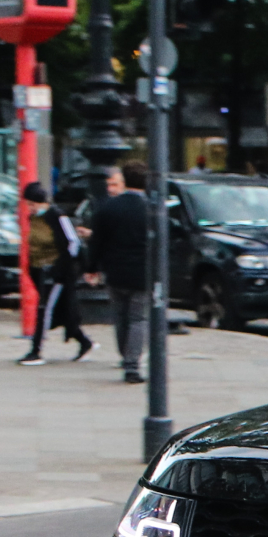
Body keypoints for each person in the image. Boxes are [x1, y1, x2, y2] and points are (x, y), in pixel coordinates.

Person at [87, 164, 152, 384]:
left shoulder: (108, 208)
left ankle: (125, 357)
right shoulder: (151, 208)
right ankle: (132, 364)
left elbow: (96, 241)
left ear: (124, 180)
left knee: (120, 317)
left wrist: (91, 268)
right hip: (142, 272)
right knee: (138, 318)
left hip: (114, 270)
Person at [16, 182, 93, 364]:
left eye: (33, 204)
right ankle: (84, 341)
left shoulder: (57, 216)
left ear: (43, 203)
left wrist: (62, 266)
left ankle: (36, 349)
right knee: (60, 309)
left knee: (45, 309)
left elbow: (72, 242)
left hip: (56, 272)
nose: (31, 208)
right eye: (29, 204)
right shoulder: (33, 218)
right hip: (39, 269)